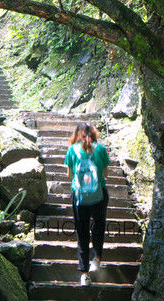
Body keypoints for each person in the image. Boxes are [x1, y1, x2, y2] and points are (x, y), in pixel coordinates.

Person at [65, 121, 109, 285]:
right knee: (98, 226)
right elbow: (106, 175)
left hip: (79, 196)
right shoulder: (102, 149)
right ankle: (96, 259)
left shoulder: (72, 150)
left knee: (82, 233)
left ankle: (84, 275)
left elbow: (69, 175)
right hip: (100, 194)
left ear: (77, 134)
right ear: (94, 133)